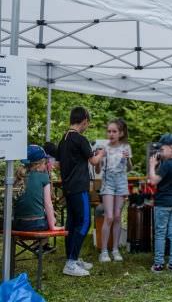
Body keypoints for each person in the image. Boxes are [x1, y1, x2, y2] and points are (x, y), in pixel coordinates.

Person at [57, 106, 105, 277]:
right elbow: (93, 161)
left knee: (71, 224)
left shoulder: (63, 139)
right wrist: (101, 153)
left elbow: (58, 163)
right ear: (84, 120)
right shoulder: (80, 139)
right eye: (88, 122)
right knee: (84, 222)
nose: (87, 125)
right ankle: (70, 263)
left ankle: (73, 259)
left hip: (68, 187)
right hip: (79, 188)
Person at [96, 118, 132, 263]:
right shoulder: (104, 148)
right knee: (109, 216)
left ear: (121, 133)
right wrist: (99, 159)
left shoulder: (126, 147)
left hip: (121, 182)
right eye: (109, 131)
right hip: (108, 182)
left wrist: (128, 159)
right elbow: (97, 169)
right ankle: (104, 251)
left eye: (114, 131)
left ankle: (115, 250)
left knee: (117, 216)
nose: (111, 134)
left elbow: (129, 168)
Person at [148, 134, 172, 272]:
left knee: (161, 233)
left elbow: (153, 181)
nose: (160, 153)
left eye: (162, 149)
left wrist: (152, 166)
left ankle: (158, 264)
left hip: (162, 203)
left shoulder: (167, 165)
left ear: (171, 148)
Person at [13, 145, 63, 233]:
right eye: (44, 163)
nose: (45, 165)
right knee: (53, 218)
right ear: (39, 164)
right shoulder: (43, 177)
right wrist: (53, 226)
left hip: (17, 224)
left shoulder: (19, 176)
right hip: (36, 224)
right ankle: (40, 246)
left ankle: (37, 246)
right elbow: (48, 204)